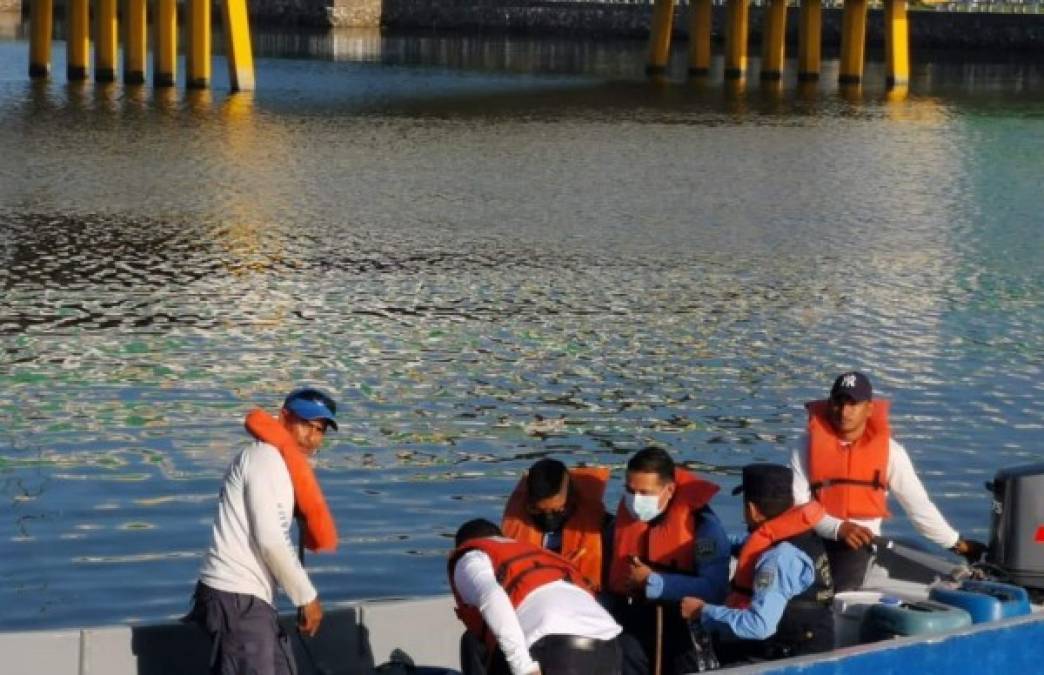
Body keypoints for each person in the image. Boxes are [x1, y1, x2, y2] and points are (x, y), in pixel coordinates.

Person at [185, 387, 340, 675]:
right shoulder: (265, 459)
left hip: (247, 598)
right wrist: (306, 596)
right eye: (306, 424)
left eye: (320, 430)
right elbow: (270, 540)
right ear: (283, 417)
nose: (313, 436)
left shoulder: (275, 462)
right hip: (236, 594)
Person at [790, 371, 987, 590]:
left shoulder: (892, 453)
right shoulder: (805, 446)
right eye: (839, 402)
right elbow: (798, 505)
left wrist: (958, 545)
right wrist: (838, 528)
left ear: (869, 409)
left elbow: (919, 509)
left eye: (853, 404)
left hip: (859, 545)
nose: (844, 412)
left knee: (837, 592)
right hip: (815, 536)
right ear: (829, 403)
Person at [680, 463, 834, 664]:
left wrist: (703, 611)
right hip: (810, 638)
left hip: (791, 656)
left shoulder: (778, 559)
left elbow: (759, 626)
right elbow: (741, 544)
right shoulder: (796, 536)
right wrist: (702, 544)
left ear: (752, 510)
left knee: (692, 655)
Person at [606, 447, 729, 675]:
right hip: (634, 622)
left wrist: (654, 582)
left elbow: (715, 589)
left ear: (669, 489)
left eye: (645, 493)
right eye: (630, 491)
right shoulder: (622, 522)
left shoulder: (705, 528)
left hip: (683, 626)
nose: (636, 500)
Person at [449, 518, 624, 675]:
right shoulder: (539, 553)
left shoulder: (471, 556)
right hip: (608, 648)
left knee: (472, 641)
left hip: (556, 650)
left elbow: (493, 597)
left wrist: (524, 667)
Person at [501, 458, 613, 591]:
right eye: (539, 510)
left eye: (558, 510)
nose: (549, 518)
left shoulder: (605, 531)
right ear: (528, 503)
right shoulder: (511, 531)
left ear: (571, 499)